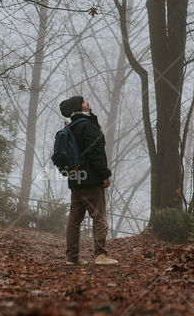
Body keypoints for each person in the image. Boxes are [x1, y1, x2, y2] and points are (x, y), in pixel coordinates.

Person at [59, 95, 118, 266]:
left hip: (75, 179)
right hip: (91, 179)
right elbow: (95, 152)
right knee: (99, 218)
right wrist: (104, 174)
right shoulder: (88, 126)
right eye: (84, 101)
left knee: (74, 221)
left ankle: (72, 257)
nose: (87, 102)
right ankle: (100, 255)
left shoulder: (71, 127)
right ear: (80, 106)